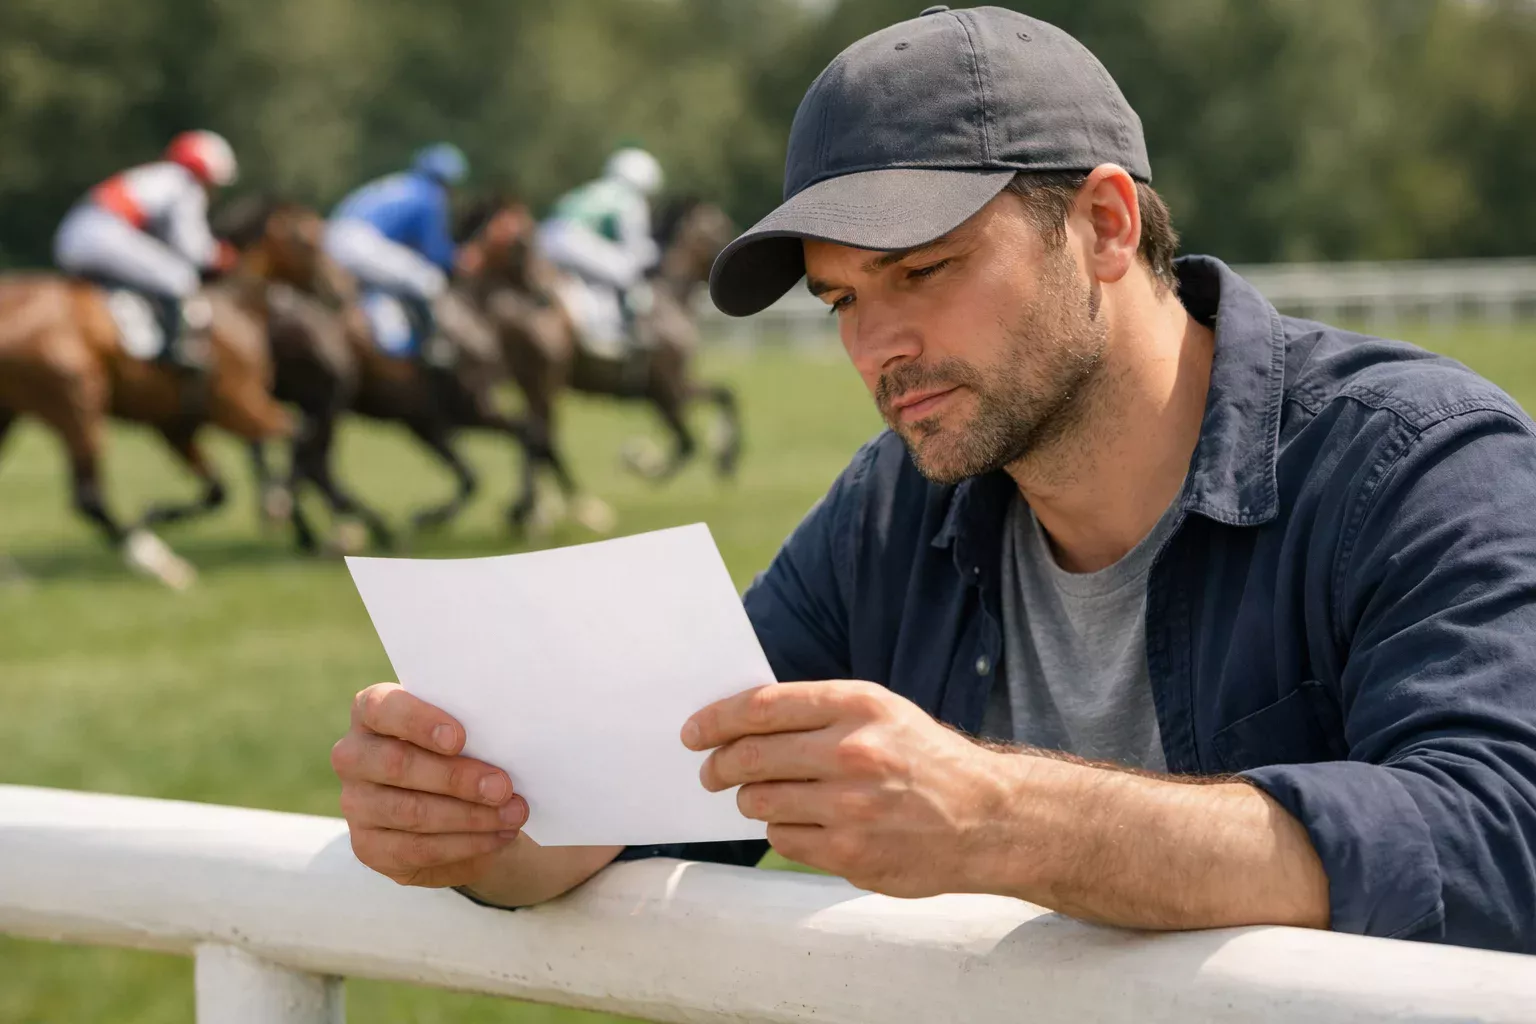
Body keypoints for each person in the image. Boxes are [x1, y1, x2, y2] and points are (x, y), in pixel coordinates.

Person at [330, 6, 1536, 953]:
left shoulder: (1415, 460)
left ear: (1107, 226)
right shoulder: (894, 506)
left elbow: (1496, 849)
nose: (875, 347)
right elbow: (664, 801)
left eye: (924, 270)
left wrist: (1002, 817)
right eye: (846, 298)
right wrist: (478, 824)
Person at [53, 130, 239, 374]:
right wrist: (220, 256)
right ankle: (174, 353)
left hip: (75, 233)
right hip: (103, 234)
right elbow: (190, 247)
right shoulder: (184, 184)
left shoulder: (159, 176)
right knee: (179, 276)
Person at [325, 143, 468, 360]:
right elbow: (434, 252)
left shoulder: (403, 183)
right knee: (430, 280)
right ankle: (433, 347)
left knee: (387, 284)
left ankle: (387, 335)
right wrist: (458, 260)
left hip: (335, 234)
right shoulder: (430, 196)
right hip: (361, 242)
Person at [537, 147, 664, 355]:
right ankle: (606, 332)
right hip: (572, 241)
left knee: (594, 276)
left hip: (547, 236)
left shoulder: (593, 188)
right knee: (626, 271)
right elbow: (635, 248)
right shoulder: (631, 201)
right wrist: (656, 254)